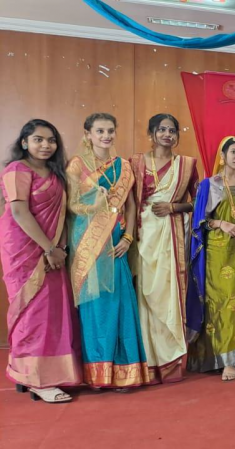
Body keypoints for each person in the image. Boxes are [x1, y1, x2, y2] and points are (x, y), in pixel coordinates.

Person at [67, 112, 150, 389]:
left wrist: (128, 237)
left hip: (117, 244)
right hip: (89, 243)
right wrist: (95, 203)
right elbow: (72, 205)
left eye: (110, 131)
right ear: (88, 134)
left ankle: (124, 372)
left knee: (120, 304)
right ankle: (96, 373)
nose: (106, 136)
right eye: (100, 131)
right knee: (95, 307)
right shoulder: (77, 165)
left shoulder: (123, 166)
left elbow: (131, 205)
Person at [2, 119, 82, 403]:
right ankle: (36, 378)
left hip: (54, 249)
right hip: (24, 249)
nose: (46, 145)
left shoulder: (57, 173)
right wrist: (49, 249)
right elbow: (19, 213)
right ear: (24, 142)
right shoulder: (17, 170)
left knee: (53, 311)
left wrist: (59, 249)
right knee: (31, 311)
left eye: (51, 140)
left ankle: (45, 373)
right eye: (38, 139)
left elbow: (63, 214)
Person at [129, 113, 198, 384]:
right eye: (161, 130)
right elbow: (125, 201)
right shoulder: (134, 163)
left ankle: (170, 361)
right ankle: (146, 362)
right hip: (141, 237)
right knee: (143, 296)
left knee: (168, 295)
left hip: (170, 236)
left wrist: (173, 206)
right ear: (151, 133)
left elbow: (198, 202)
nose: (167, 135)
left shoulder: (187, 165)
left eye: (172, 130)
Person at [186, 137, 235, 381]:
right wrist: (222, 224)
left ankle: (230, 361)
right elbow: (200, 221)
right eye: (233, 152)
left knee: (234, 302)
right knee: (213, 302)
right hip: (215, 251)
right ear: (223, 155)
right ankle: (208, 358)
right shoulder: (210, 184)